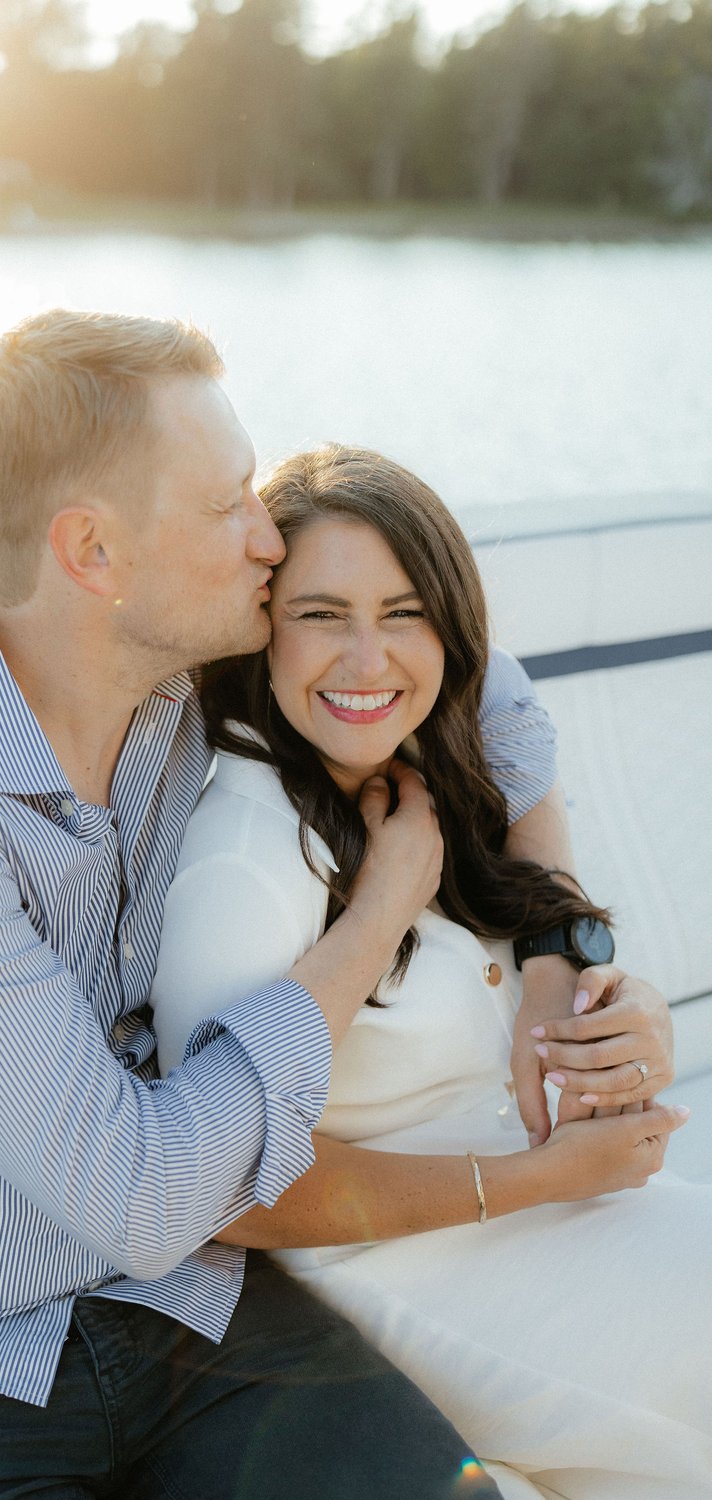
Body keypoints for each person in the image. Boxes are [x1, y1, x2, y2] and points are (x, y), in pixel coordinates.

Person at [0, 311, 668, 1500]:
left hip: (188, 1306)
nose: (268, 536)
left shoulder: (184, 668)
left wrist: (555, 955)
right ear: (94, 554)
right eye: (228, 503)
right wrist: (376, 915)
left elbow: (496, 695)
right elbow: (144, 1194)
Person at [150, 443, 709, 1500]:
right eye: (321, 614)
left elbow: (541, 958)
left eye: (405, 613)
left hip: (535, 1206)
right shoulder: (245, 859)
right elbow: (224, 1192)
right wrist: (543, 1179)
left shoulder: (423, 768)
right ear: (259, 628)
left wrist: (619, 1026)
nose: (368, 658)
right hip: (395, 1271)